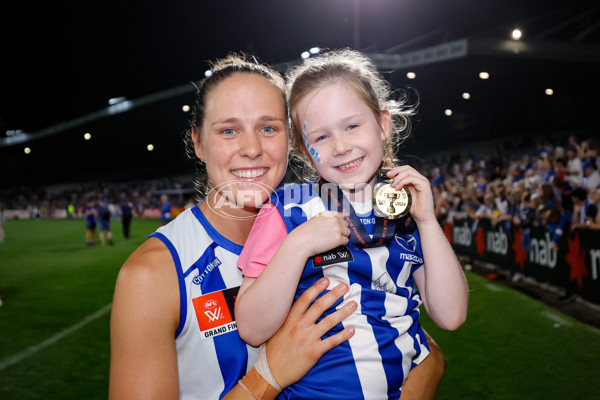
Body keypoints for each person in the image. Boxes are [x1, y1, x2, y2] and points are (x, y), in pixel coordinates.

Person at [109, 54, 445, 400]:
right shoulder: (152, 275)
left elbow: (412, 339)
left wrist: (426, 367)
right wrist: (269, 374)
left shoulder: (321, 220)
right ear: (198, 143)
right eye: (228, 131)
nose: (252, 149)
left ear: (293, 140)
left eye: (269, 128)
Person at [235, 49, 468, 399]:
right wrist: (297, 245)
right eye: (321, 138)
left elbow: (450, 316)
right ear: (303, 148)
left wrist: (428, 221)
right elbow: (252, 328)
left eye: (352, 126)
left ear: (383, 124)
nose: (341, 147)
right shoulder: (286, 209)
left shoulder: (405, 206)